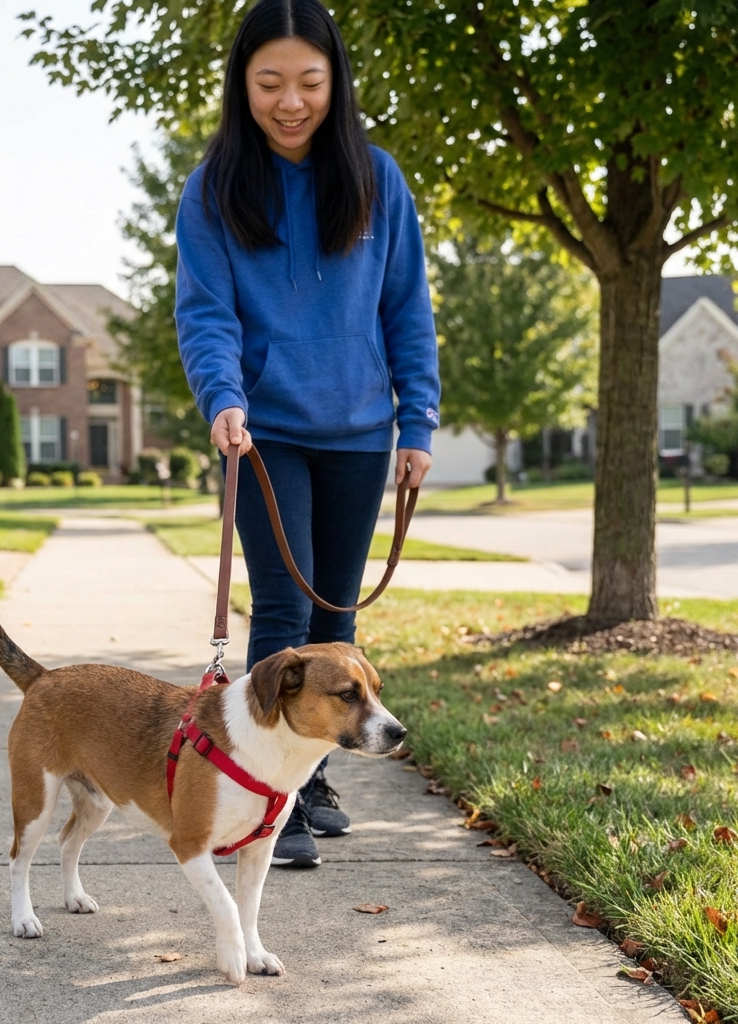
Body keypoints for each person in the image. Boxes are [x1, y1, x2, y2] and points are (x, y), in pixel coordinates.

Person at [174, 0, 439, 868]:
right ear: (241, 85)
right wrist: (222, 396)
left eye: (310, 83)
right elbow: (206, 312)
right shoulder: (214, 188)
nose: (291, 101)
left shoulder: (377, 179)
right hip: (265, 429)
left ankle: (312, 773)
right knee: (283, 611)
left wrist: (418, 419)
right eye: (270, 83)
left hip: (363, 429)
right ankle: (268, 797)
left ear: (336, 83)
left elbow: (407, 311)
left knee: (336, 609)